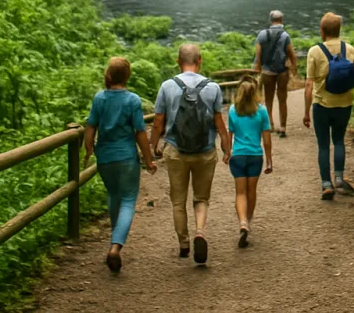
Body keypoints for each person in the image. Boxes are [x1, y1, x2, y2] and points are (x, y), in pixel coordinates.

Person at [150, 42, 230, 265]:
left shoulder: (167, 86)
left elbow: (158, 123)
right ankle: (200, 232)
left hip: (176, 151)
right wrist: (226, 147)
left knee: (178, 201)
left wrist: (153, 148)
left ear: (178, 61)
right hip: (205, 151)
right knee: (201, 198)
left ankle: (184, 243)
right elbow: (218, 122)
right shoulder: (213, 87)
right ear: (200, 60)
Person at [83, 57, 156, 272]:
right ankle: (115, 247)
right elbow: (140, 133)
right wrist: (148, 159)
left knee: (114, 196)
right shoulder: (132, 100)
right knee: (128, 200)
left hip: (105, 157)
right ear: (127, 77)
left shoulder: (99, 98)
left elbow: (90, 126)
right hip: (126, 158)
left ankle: (114, 239)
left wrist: (89, 149)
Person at [303, 11, 354, 200]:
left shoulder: (315, 51)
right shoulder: (350, 49)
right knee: (338, 141)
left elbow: (308, 84)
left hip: (321, 105)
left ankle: (326, 184)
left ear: (322, 31)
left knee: (323, 145)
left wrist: (306, 112)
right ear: (339, 30)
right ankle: (339, 177)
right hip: (344, 104)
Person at [227, 75, 273, 247]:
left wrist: (227, 153)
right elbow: (267, 140)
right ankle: (249, 221)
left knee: (240, 192)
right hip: (255, 156)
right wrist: (269, 161)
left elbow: (229, 136)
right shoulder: (261, 111)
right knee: (251, 191)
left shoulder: (233, 110)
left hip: (238, 156)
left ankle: (242, 223)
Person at [253, 10, 298, 137]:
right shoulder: (285, 36)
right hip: (282, 71)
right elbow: (291, 54)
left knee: (268, 99)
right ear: (282, 20)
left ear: (270, 20)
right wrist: (294, 68)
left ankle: (270, 124)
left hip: (267, 71)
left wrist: (258, 68)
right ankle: (283, 127)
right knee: (282, 99)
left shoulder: (262, 34)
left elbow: (258, 54)